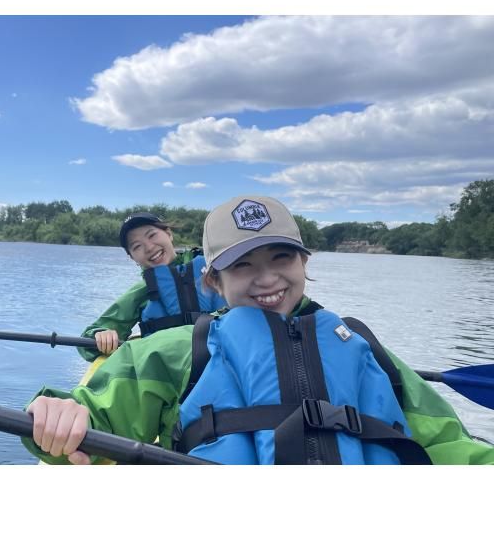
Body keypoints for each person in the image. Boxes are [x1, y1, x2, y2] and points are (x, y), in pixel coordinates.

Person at [24, 196, 494, 465]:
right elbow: (87, 416)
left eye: (281, 258)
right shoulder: (171, 352)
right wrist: (55, 415)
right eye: (242, 265)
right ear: (215, 279)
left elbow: (450, 445)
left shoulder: (361, 345)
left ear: (305, 262)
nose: (267, 278)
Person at [78, 211, 226, 361]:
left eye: (152, 235)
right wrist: (101, 334)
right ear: (133, 258)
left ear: (169, 234)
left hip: (223, 359)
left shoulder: (216, 269)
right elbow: (88, 340)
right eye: (137, 246)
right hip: (170, 369)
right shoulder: (142, 291)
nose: (149, 248)